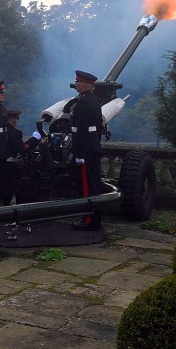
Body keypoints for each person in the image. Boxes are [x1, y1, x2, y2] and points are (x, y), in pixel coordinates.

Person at [71, 70, 106, 231]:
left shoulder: (83, 103)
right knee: (94, 183)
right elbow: (97, 128)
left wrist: (78, 154)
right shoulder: (94, 101)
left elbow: (79, 131)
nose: (76, 84)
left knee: (87, 187)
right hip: (93, 147)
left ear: (85, 84)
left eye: (78, 82)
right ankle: (95, 219)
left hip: (85, 150)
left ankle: (88, 221)